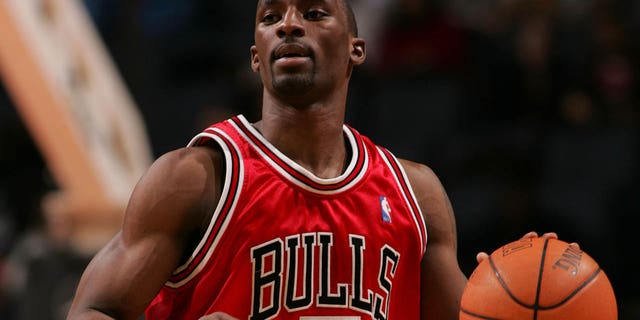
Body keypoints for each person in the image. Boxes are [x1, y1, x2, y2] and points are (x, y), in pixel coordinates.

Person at [66, 1, 554, 319]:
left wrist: (521, 291)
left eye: (316, 12)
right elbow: (92, 311)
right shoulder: (198, 177)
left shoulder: (416, 194)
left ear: (356, 50)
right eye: (269, 17)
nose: (289, 23)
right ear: (256, 57)